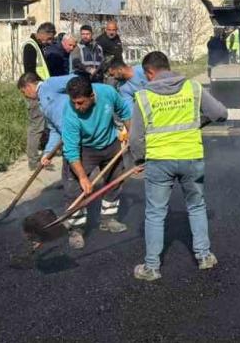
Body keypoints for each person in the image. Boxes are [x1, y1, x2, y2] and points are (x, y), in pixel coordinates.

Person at [129, 51, 228, 281]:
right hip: (191, 157)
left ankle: (152, 268)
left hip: (159, 161)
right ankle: (204, 256)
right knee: (196, 206)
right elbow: (220, 114)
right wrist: (200, 120)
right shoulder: (192, 88)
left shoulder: (143, 96)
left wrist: (140, 160)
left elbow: (135, 139)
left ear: (150, 72)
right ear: (168, 66)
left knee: (155, 213)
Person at [60, 75, 133, 248]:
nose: (77, 107)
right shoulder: (70, 112)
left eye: (80, 102)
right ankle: (76, 228)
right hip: (84, 149)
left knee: (114, 181)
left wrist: (131, 134)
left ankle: (108, 218)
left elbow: (124, 111)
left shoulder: (107, 92)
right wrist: (83, 178)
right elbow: (71, 150)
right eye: (74, 102)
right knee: (74, 188)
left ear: (92, 96)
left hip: (109, 143)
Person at [22, 22, 56, 170]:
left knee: (43, 125)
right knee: (36, 127)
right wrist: (41, 85)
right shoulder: (31, 46)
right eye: (48, 39)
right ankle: (34, 161)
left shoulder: (37, 46)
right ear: (42, 33)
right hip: (34, 92)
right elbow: (29, 71)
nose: (49, 42)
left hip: (40, 90)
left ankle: (44, 155)